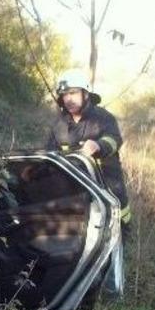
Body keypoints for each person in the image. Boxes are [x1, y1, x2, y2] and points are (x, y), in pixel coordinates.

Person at [45, 69, 132, 229]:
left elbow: (114, 140)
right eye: (65, 94)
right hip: (75, 192)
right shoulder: (59, 125)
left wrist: (98, 145)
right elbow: (50, 154)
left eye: (73, 93)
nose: (69, 99)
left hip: (107, 188)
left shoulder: (103, 117)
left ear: (85, 94)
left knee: (113, 233)